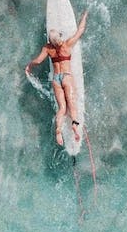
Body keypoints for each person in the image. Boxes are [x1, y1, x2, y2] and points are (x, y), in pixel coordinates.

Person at [25, 9, 88, 146]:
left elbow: (38, 61)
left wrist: (29, 66)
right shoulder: (66, 45)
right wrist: (84, 16)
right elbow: (80, 30)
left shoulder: (48, 49)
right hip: (66, 77)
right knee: (72, 103)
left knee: (62, 108)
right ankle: (75, 125)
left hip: (56, 79)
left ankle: (58, 131)